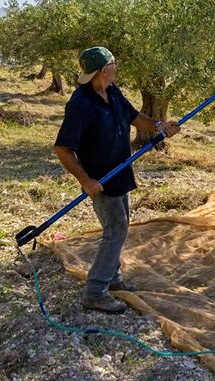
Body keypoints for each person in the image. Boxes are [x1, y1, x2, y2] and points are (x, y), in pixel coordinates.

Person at [53, 46, 180, 314]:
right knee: (116, 229)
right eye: (113, 63)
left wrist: (160, 126)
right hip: (101, 178)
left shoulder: (112, 91)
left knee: (120, 225)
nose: (116, 67)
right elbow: (62, 148)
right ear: (103, 70)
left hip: (121, 170)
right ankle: (95, 291)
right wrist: (86, 180)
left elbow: (134, 118)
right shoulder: (80, 103)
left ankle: (112, 278)